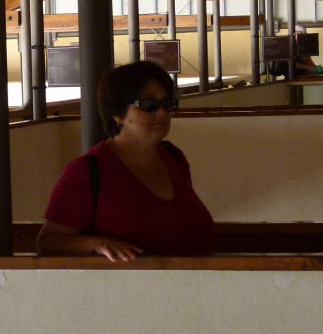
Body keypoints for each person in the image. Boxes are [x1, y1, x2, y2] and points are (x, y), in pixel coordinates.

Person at [38, 60, 215, 262]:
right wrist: (96, 244)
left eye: (167, 103)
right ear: (117, 114)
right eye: (149, 104)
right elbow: (48, 243)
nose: (162, 113)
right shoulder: (87, 171)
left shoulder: (174, 157)